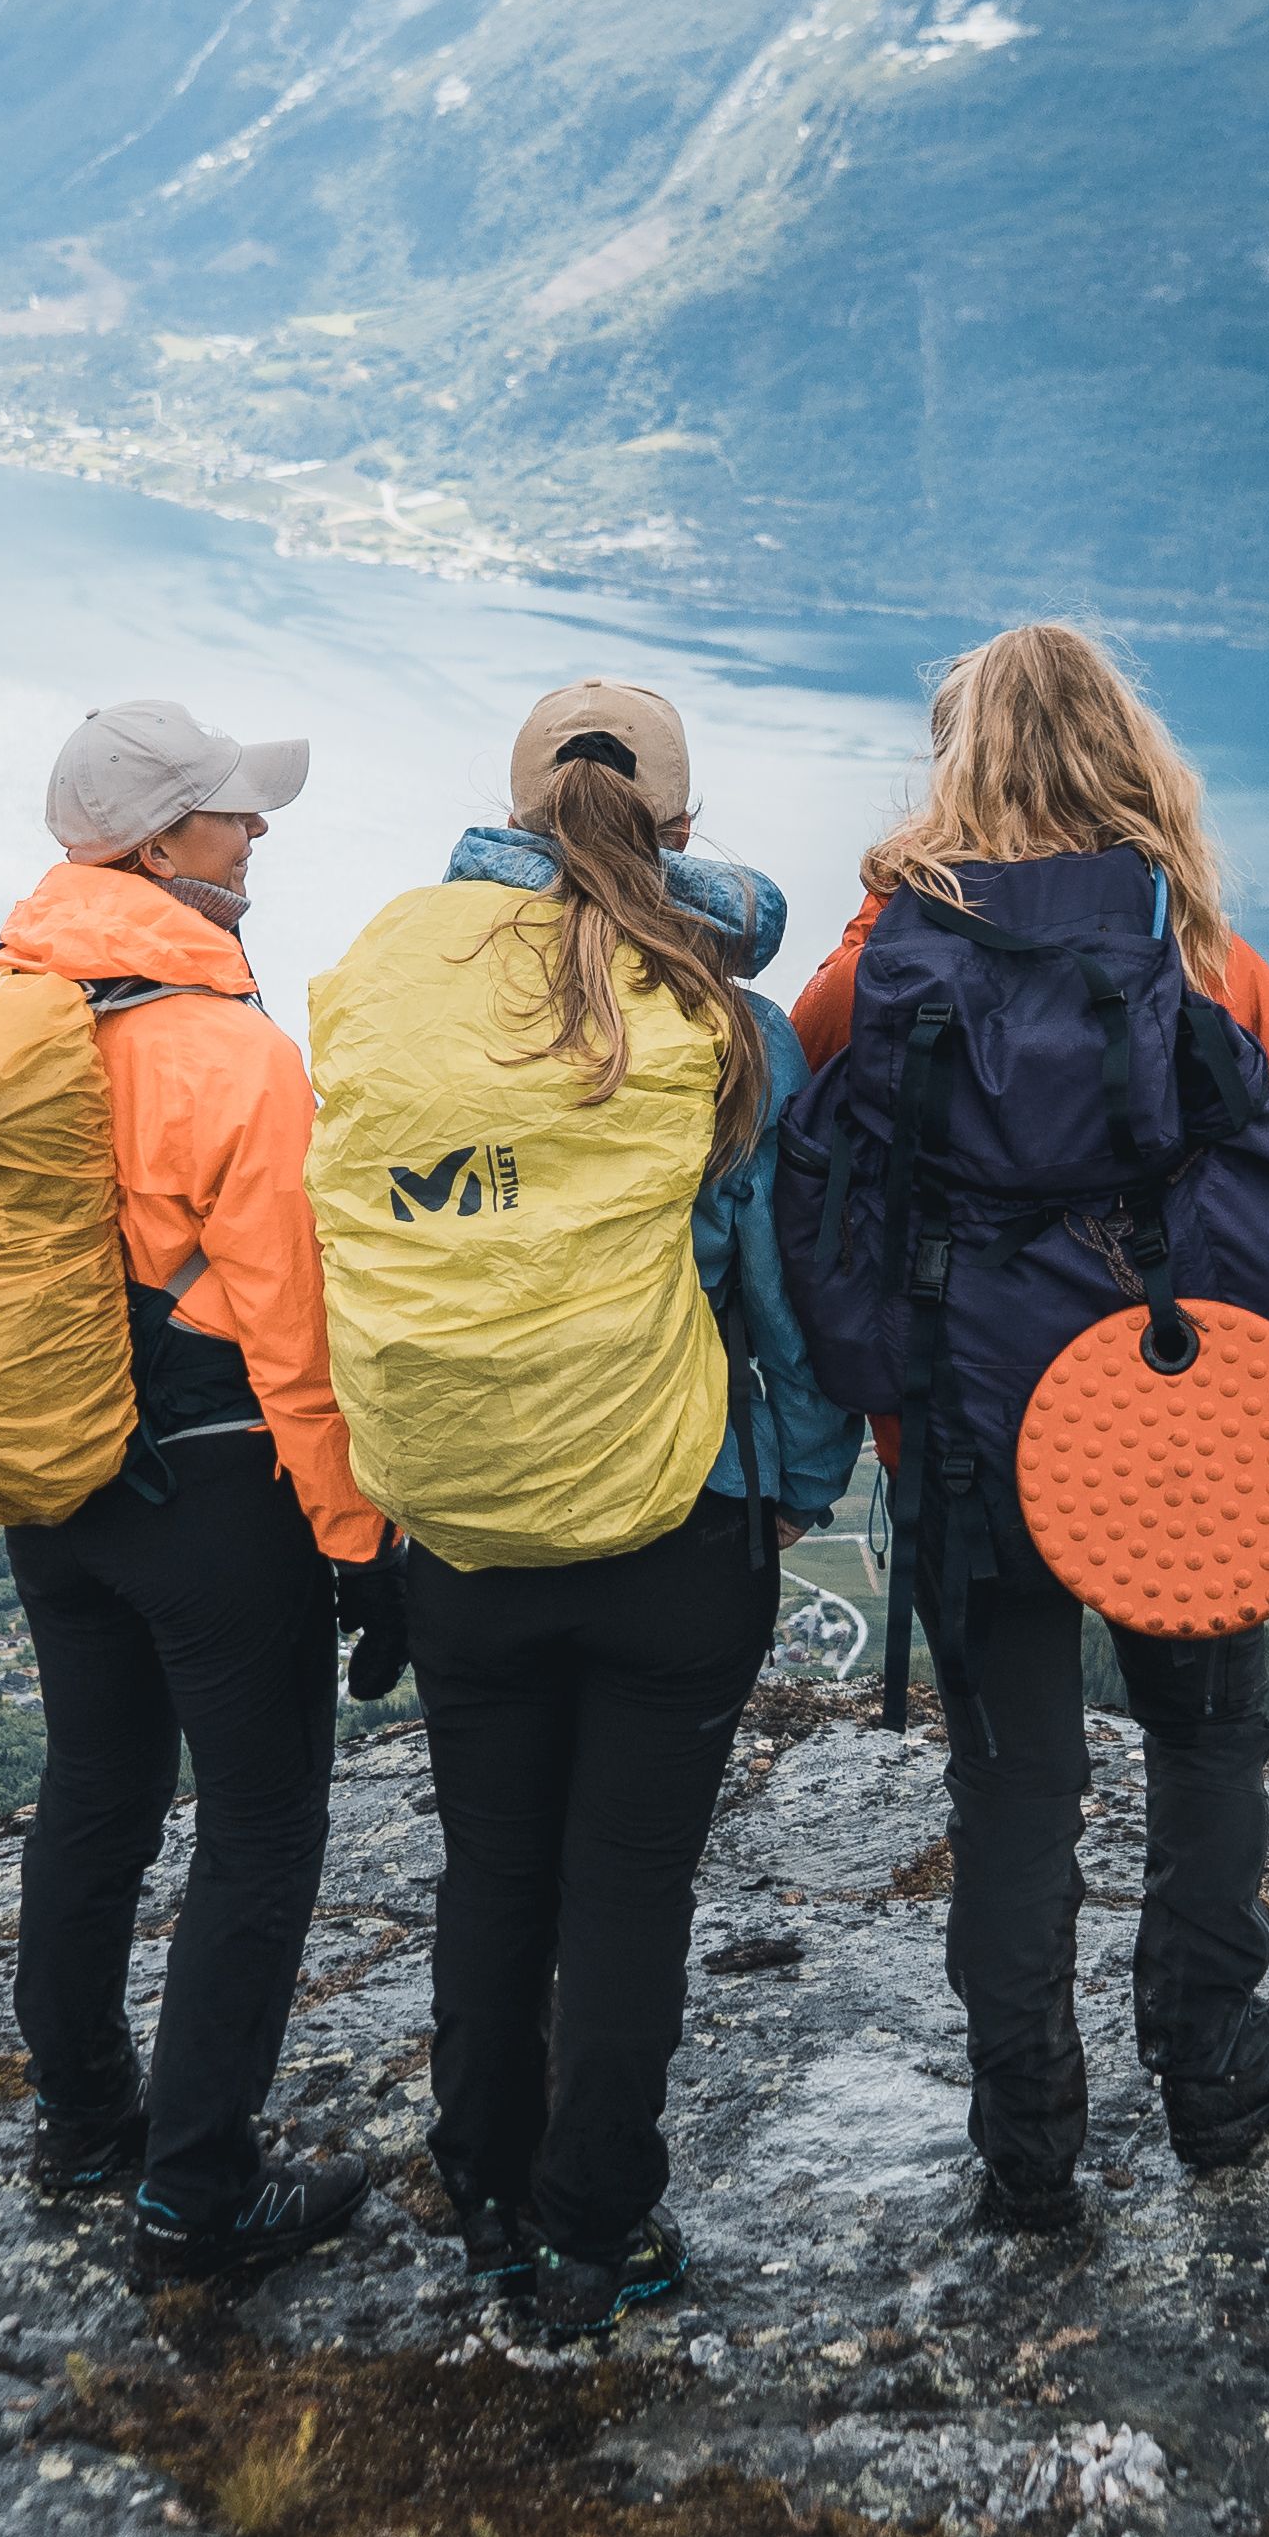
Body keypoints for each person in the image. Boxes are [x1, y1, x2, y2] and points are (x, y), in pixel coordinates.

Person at [790, 624, 1269, 2232]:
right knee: (1204, 1744)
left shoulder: (873, 976)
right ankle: (1212, 2058)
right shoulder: (1214, 972)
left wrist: (894, 913)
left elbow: (817, 1165)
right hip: (1181, 1445)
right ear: (1138, 761)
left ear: (953, 773)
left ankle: (1030, 2146)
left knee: (1015, 1789)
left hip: (966, 1454)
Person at [309, 680, 856, 2342]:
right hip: (674, 1526)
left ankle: (481, 2201)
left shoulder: (396, 982)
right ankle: (593, 2238)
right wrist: (795, 1491)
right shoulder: (722, 1015)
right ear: (682, 828)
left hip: (461, 1531)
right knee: (628, 1894)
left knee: (492, 1877)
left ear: (512, 809)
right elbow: (785, 1297)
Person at [0, 695, 398, 2288]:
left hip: (53, 1471)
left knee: (95, 1788)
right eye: (233, 815)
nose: (259, 833)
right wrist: (362, 1544)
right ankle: (198, 2195)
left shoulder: (0, 1018)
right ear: (163, 847)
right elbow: (296, 1349)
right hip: (219, 1491)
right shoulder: (229, 1053)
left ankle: (87, 2117)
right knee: (260, 1825)